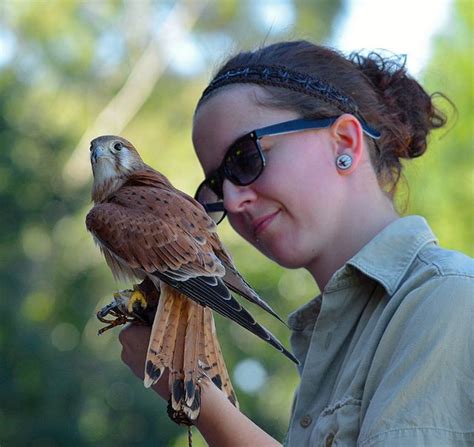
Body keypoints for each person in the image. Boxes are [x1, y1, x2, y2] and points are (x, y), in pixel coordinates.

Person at [119, 40, 474, 446]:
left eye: (246, 158)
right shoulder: (332, 338)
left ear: (345, 142)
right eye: (216, 185)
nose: (233, 201)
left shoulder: (449, 299)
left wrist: (193, 393)